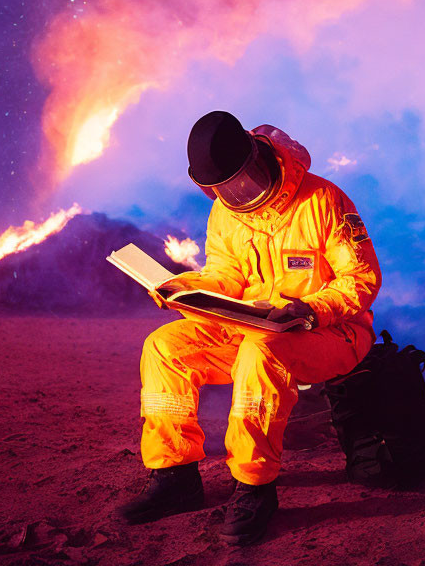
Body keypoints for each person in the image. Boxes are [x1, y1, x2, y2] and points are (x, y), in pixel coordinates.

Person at [118, 111, 381, 545]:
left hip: (330, 332)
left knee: (263, 352)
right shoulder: (225, 214)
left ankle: (255, 487)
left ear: (260, 157)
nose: (238, 195)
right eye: (223, 189)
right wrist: (183, 288)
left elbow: (361, 279)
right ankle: (174, 477)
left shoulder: (324, 201)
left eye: (243, 181)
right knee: (164, 347)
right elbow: (225, 275)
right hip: (257, 328)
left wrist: (307, 310)